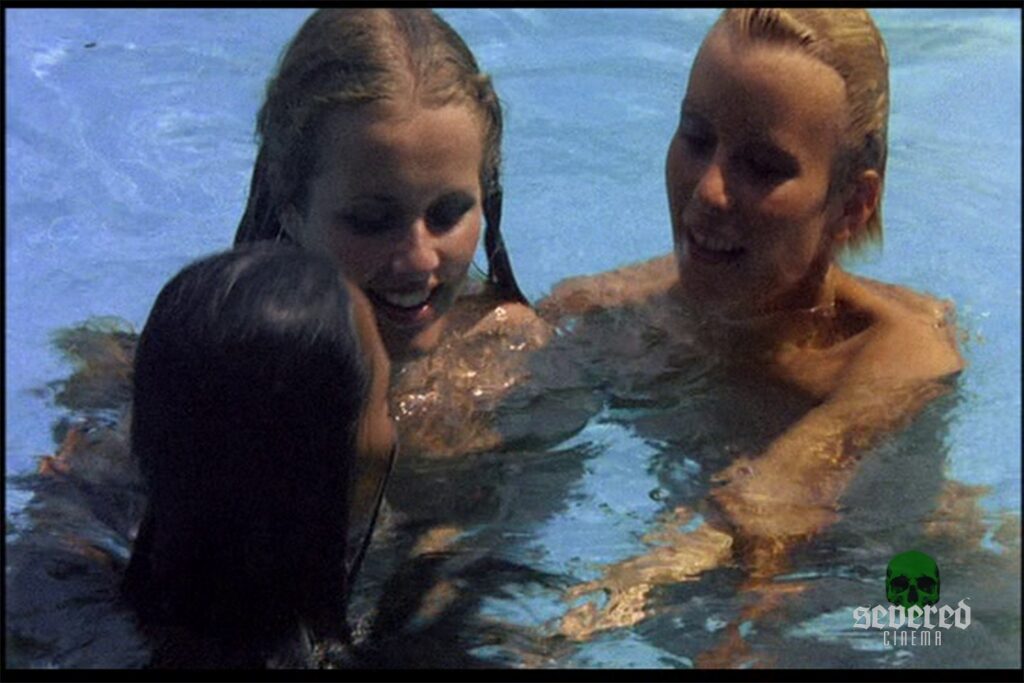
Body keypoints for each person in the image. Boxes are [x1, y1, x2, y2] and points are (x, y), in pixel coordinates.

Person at [544, 8, 964, 644]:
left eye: (763, 168)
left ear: (852, 204)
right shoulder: (603, 312)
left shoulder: (897, 357)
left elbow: (768, 506)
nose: (709, 190)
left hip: (910, 593)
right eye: (695, 137)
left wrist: (564, 633)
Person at [234, 9, 552, 455]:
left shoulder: (514, 357)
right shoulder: (218, 384)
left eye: (447, 214)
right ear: (291, 210)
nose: (419, 259)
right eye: (371, 221)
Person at [120, 244, 397, 668]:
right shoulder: (410, 630)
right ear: (322, 475)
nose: (393, 428)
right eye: (384, 402)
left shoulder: (80, 578)